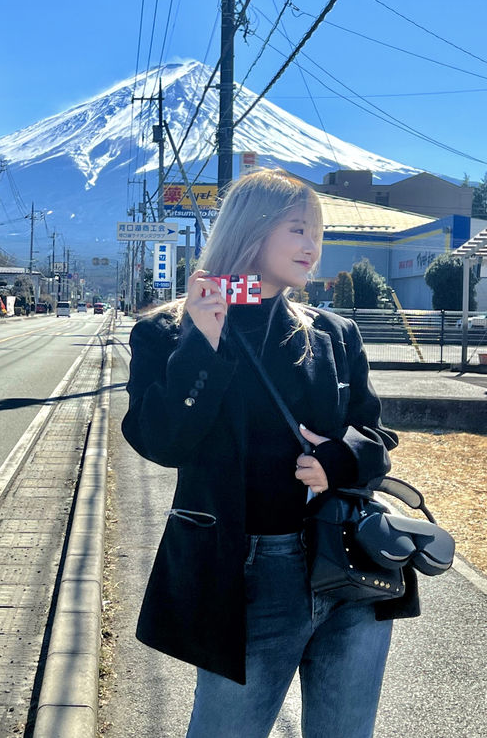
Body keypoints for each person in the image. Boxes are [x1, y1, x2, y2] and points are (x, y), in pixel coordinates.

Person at [122, 170, 419, 738]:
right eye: (299, 229)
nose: (313, 246)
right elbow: (159, 441)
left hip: (350, 562)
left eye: (318, 233)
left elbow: (376, 437)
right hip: (250, 570)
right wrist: (201, 344)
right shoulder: (167, 332)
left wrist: (341, 458)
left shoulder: (333, 332)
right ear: (252, 229)